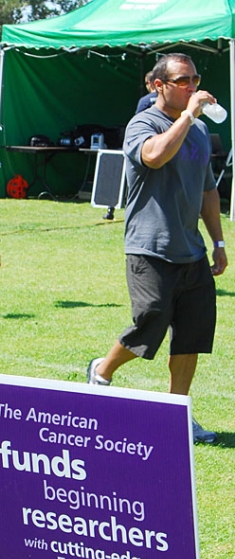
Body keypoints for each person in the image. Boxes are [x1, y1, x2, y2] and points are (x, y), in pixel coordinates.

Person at [86, 53, 225, 445]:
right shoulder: (143, 123)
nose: (191, 87)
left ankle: (176, 414)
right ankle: (102, 370)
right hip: (150, 248)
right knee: (151, 323)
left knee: (193, 337)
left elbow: (208, 191)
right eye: (182, 80)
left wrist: (218, 242)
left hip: (192, 251)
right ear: (157, 85)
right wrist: (187, 117)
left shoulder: (196, 131)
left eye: (195, 79)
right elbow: (153, 156)